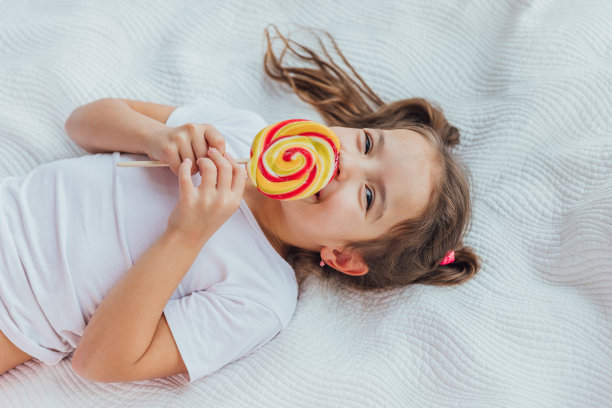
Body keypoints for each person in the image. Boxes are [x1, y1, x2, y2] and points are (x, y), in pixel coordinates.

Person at [0, 26, 480, 383]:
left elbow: (100, 362)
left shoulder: (261, 297)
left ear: (345, 256)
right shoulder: (239, 132)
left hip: (16, 314)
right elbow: (82, 123)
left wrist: (186, 234)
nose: (346, 165)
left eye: (369, 196)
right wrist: (154, 136)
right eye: (368, 145)